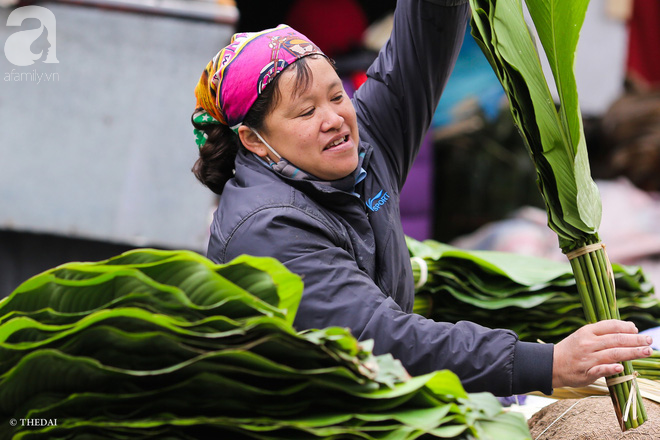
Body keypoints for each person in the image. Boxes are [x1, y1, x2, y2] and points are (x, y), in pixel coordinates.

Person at [191, 0, 652, 396]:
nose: (333, 118)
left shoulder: (359, 150)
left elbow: (417, 58)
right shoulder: (269, 227)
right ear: (252, 139)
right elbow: (382, 337)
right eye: (306, 111)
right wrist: (546, 363)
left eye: (337, 96)